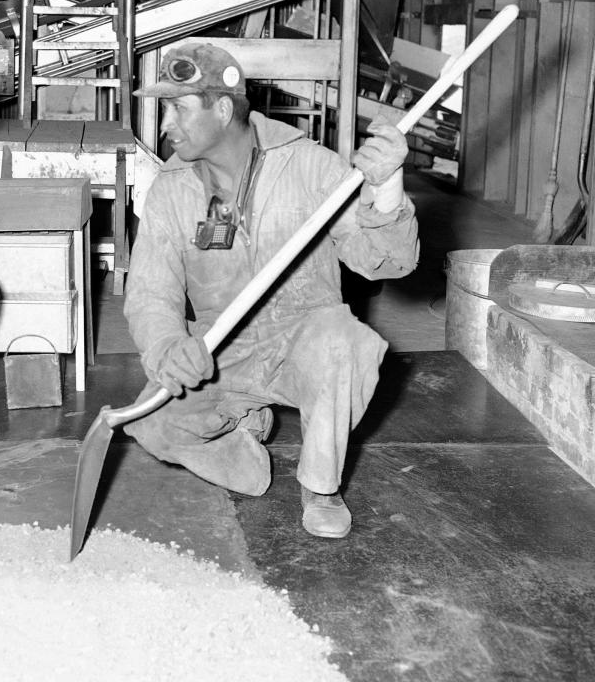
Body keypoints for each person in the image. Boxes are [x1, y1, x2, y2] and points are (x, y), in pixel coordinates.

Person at [125, 42, 419, 538]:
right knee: (152, 423)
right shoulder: (170, 190)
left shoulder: (307, 166)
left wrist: (387, 189)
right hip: (224, 348)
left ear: (222, 109)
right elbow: (152, 292)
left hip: (304, 339)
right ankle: (242, 438)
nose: (165, 125)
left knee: (342, 342)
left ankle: (321, 486)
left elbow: (384, 262)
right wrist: (167, 347)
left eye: (177, 108)